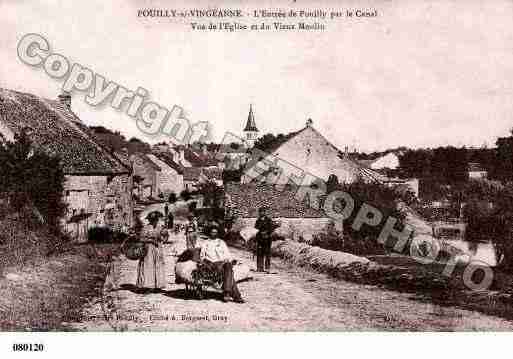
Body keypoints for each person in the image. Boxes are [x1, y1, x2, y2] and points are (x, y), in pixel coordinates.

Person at [199, 227, 244, 303]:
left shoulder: (221, 242)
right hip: (211, 263)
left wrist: (228, 260)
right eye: (212, 232)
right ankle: (236, 296)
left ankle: (227, 292)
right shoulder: (205, 242)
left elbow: (227, 254)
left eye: (215, 232)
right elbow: (202, 255)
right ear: (209, 233)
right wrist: (206, 262)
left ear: (217, 233)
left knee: (228, 267)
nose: (214, 234)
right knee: (230, 274)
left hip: (221, 262)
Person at [136, 211, 168, 292]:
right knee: (148, 265)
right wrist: (150, 240)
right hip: (148, 249)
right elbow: (141, 239)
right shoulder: (145, 228)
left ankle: (157, 285)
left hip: (157, 249)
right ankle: (147, 285)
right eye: (153, 220)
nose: (155, 221)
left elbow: (165, 237)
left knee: (158, 265)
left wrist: (163, 238)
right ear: (150, 220)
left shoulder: (160, 227)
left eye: (156, 220)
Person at [255, 207, 277, 273]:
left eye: (263, 212)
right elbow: (255, 229)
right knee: (259, 253)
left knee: (267, 253)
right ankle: (259, 268)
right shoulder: (257, 221)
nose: (262, 213)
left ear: (265, 212)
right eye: (260, 212)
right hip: (260, 240)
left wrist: (266, 232)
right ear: (259, 213)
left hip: (267, 239)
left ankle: (267, 268)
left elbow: (272, 228)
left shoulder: (269, 220)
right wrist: (257, 236)